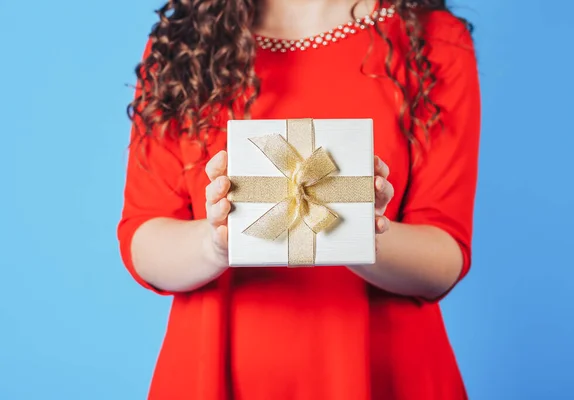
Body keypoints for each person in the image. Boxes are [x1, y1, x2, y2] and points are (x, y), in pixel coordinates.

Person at [117, 0, 480, 398]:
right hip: (212, 373)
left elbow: (445, 253)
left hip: (385, 372)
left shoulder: (432, 39)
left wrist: (360, 235)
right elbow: (144, 238)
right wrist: (216, 243)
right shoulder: (185, 44)